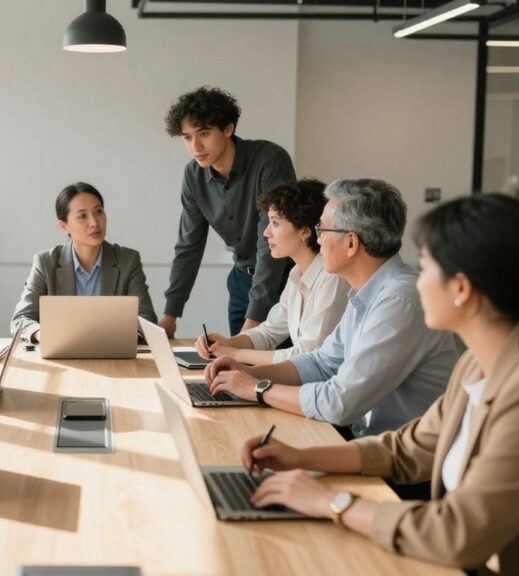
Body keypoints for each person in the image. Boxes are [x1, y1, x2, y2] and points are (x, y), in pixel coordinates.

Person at [240, 194, 519, 576]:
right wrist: (300, 458)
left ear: (461, 288)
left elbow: (458, 534)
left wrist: (332, 503)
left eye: (427, 266)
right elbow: (406, 449)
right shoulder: (476, 366)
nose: (418, 280)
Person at [206, 179, 458, 437]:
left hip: (401, 464)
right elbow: (321, 362)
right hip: (369, 443)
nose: (318, 240)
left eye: (323, 230)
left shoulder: (398, 301)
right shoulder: (367, 291)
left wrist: (257, 388)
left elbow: (339, 403)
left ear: (350, 243)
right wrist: (248, 373)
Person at [159, 86, 296, 338]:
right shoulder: (193, 176)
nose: (195, 146)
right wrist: (170, 316)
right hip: (241, 281)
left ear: (228, 129)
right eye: (187, 137)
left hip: (285, 280)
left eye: (204, 133)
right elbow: (189, 245)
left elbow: (269, 244)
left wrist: (253, 322)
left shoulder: (270, 160)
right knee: (239, 369)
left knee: (279, 369)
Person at [195, 178, 348, 364]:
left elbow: (307, 355)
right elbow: (268, 332)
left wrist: (235, 354)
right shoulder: (296, 274)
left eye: (275, 223)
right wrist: (226, 343)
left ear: (305, 231)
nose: (266, 232)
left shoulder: (332, 277)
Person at [10, 182, 157, 343]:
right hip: (61, 357)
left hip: (113, 355)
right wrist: (42, 334)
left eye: (99, 211)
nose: (94, 222)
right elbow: (21, 319)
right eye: (82, 216)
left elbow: (147, 319)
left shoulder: (127, 260)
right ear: (64, 226)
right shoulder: (46, 263)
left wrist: (117, 338)